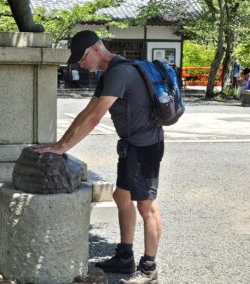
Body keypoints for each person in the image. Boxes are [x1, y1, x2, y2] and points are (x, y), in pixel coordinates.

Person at [34, 30, 163, 284]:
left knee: (146, 206)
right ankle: (125, 256)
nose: (80, 65)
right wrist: (61, 144)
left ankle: (149, 269)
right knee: (121, 195)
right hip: (130, 146)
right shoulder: (110, 73)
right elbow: (86, 112)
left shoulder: (120, 73)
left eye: (81, 58)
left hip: (146, 146)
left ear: (95, 49)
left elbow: (94, 119)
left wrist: (64, 147)